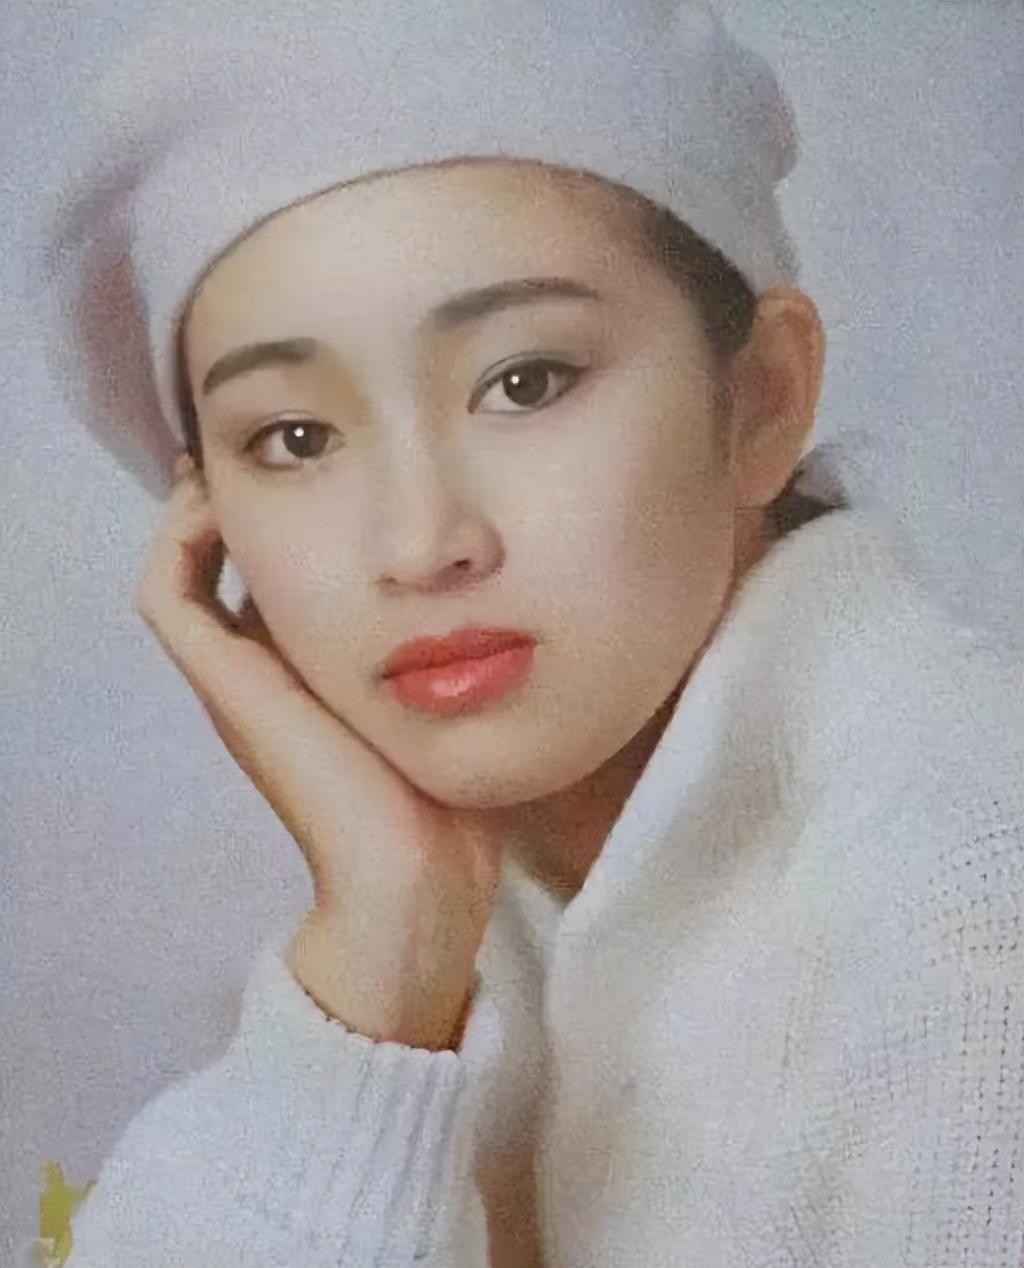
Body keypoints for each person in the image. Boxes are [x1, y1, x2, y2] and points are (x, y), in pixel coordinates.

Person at [41, 2, 1022, 1265]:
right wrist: (383, 969)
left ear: (760, 400)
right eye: (295, 436)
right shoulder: (438, 914)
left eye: (524, 381)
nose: (420, 541)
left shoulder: (970, 906)